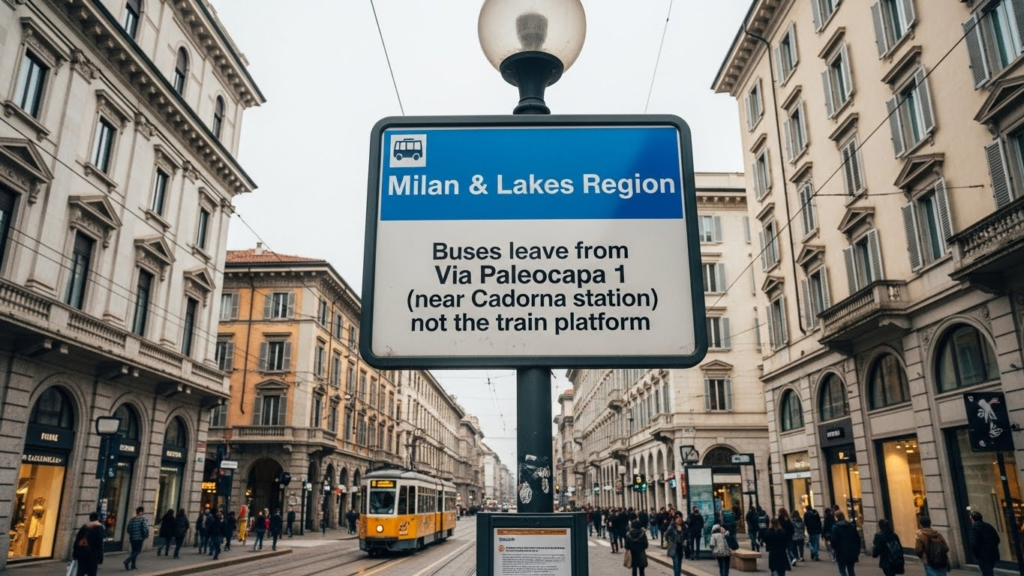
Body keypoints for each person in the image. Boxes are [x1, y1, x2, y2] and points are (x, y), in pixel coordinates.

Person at [969, 511, 1000, 576]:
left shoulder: (974, 528)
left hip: (983, 555)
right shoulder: (988, 526)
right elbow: (997, 539)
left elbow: (974, 543)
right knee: (989, 571)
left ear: (972, 519)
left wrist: (975, 554)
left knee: (987, 572)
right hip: (993, 553)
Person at [831, 511, 860, 576]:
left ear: (836, 518)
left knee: (842, 571)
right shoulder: (851, 526)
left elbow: (834, 541)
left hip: (841, 552)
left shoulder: (835, 527)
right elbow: (857, 539)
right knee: (851, 570)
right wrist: (857, 550)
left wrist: (835, 550)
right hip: (851, 551)